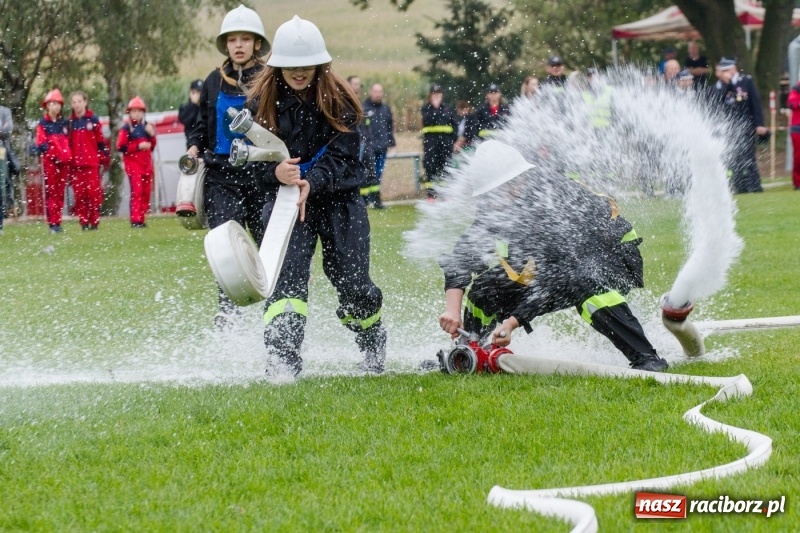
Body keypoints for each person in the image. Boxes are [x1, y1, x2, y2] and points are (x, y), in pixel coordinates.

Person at [438, 140, 669, 372]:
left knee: (583, 281)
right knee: (486, 288)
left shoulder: (551, 203)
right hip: (557, 264)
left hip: (614, 254)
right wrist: (452, 311)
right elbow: (462, 257)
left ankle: (646, 357)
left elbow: (556, 280)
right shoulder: (498, 205)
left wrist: (512, 322)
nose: (488, 202)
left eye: (494, 194)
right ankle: (469, 353)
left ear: (516, 182)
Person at [247, 15, 386, 376]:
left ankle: (372, 344)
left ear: (320, 63)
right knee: (287, 283)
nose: (299, 72)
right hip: (286, 206)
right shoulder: (260, 103)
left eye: (306, 65)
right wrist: (274, 172)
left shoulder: (341, 100)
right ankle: (282, 360)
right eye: (291, 66)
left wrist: (315, 181)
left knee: (354, 283)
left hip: (339, 201)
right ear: (278, 66)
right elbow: (245, 163)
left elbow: (348, 159)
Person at [186, 4, 270, 328]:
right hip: (221, 177)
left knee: (266, 249)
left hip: (262, 178)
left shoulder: (270, 79)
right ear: (226, 44)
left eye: (245, 39)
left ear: (256, 44)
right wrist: (193, 148)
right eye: (232, 39)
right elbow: (200, 124)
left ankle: (272, 310)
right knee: (225, 248)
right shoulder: (212, 80)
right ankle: (229, 313)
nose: (238, 45)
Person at [714, 57, 768, 194]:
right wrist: (726, 84)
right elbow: (718, 104)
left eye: (727, 70)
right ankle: (740, 187)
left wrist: (759, 124)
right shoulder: (721, 85)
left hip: (746, 125)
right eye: (723, 70)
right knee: (734, 158)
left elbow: (755, 103)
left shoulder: (746, 81)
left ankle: (755, 186)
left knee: (749, 157)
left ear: (733, 69)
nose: (725, 73)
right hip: (729, 127)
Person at [34, 89, 71, 234]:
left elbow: (68, 142)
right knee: (51, 192)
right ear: (47, 106)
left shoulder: (64, 123)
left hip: (63, 163)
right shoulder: (43, 124)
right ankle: (52, 223)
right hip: (51, 163)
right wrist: (55, 154)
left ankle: (58, 221)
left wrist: (65, 156)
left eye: (57, 104)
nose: (55, 107)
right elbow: (41, 144)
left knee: (60, 192)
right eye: (52, 104)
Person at [67, 91, 107, 231]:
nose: (77, 104)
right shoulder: (70, 123)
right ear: (71, 104)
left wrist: (101, 157)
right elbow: (68, 143)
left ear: (85, 102)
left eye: (79, 101)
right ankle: (83, 222)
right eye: (74, 102)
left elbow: (100, 141)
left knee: (93, 194)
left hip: (91, 164)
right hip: (76, 165)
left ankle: (94, 221)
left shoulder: (93, 120)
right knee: (79, 195)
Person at [116, 96, 156, 228]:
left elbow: (152, 146)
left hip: (146, 165)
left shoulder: (147, 127)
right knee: (137, 192)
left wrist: (152, 135)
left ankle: (141, 218)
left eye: (139, 111)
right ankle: (135, 220)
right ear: (130, 113)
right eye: (134, 111)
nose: (137, 114)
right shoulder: (126, 128)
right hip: (134, 166)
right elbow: (121, 147)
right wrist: (138, 147)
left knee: (145, 193)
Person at [420, 83, 457, 199]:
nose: (436, 96)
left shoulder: (447, 108)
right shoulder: (426, 109)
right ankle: (431, 194)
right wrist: (435, 108)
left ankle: (446, 193)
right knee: (430, 168)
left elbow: (453, 125)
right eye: (434, 94)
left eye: (438, 94)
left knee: (446, 168)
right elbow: (427, 120)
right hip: (431, 144)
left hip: (446, 144)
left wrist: (454, 141)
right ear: (430, 95)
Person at [362, 82, 395, 208]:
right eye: (375, 91)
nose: (378, 94)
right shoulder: (364, 108)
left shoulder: (386, 109)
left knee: (378, 174)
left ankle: (376, 200)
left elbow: (389, 127)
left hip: (382, 146)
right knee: (367, 174)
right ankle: (365, 200)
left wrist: (392, 142)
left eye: (380, 92)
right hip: (368, 147)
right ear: (371, 92)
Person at [178, 79, 203, 148]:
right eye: (197, 92)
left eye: (201, 92)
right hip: (191, 144)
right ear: (191, 93)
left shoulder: (206, 108)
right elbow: (184, 119)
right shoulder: (185, 108)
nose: (199, 95)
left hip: (206, 146)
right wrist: (193, 105)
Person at [786, 77, 800, 190]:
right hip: (797, 128)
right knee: (798, 157)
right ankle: (798, 182)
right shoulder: (796, 89)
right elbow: (792, 103)